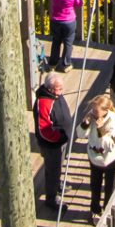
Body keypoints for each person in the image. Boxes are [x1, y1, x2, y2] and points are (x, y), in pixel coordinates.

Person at [78, 93, 115, 214]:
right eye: (92, 109)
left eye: (96, 110)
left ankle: (107, 211)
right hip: (94, 157)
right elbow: (80, 134)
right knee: (95, 185)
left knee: (110, 186)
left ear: (105, 111)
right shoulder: (92, 117)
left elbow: (110, 145)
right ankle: (95, 210)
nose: (93, 112)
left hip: (110, 158)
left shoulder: (113, 120)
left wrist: (101, 130)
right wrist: (85, 123)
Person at [33, 72, 72, 213]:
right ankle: (51, 197)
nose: (61, 91)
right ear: (50, 88)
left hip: (61, 140)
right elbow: (44, 130)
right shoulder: (44, 102)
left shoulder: (56, 95)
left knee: (58, 166)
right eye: (58, 88)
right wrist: (60, 137)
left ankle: (57, 184)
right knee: (52, 170)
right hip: (52, 144)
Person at [47, 0, 82, 70]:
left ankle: (52, 63)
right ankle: (65, 64)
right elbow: (79, 3)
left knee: (56, 41)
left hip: (55, 20)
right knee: (68, 42)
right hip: (68, 21)